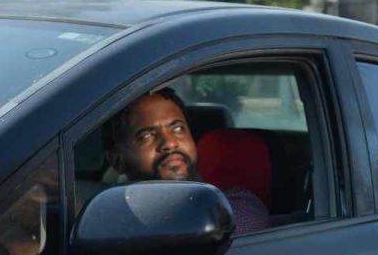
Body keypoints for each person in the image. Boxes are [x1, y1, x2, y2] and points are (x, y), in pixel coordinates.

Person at [102, 87, 270, 235]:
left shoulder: (240, 207)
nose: (169, 143)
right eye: (147, 135)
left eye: (178, 128)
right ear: (117, 160)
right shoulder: (107, 218)